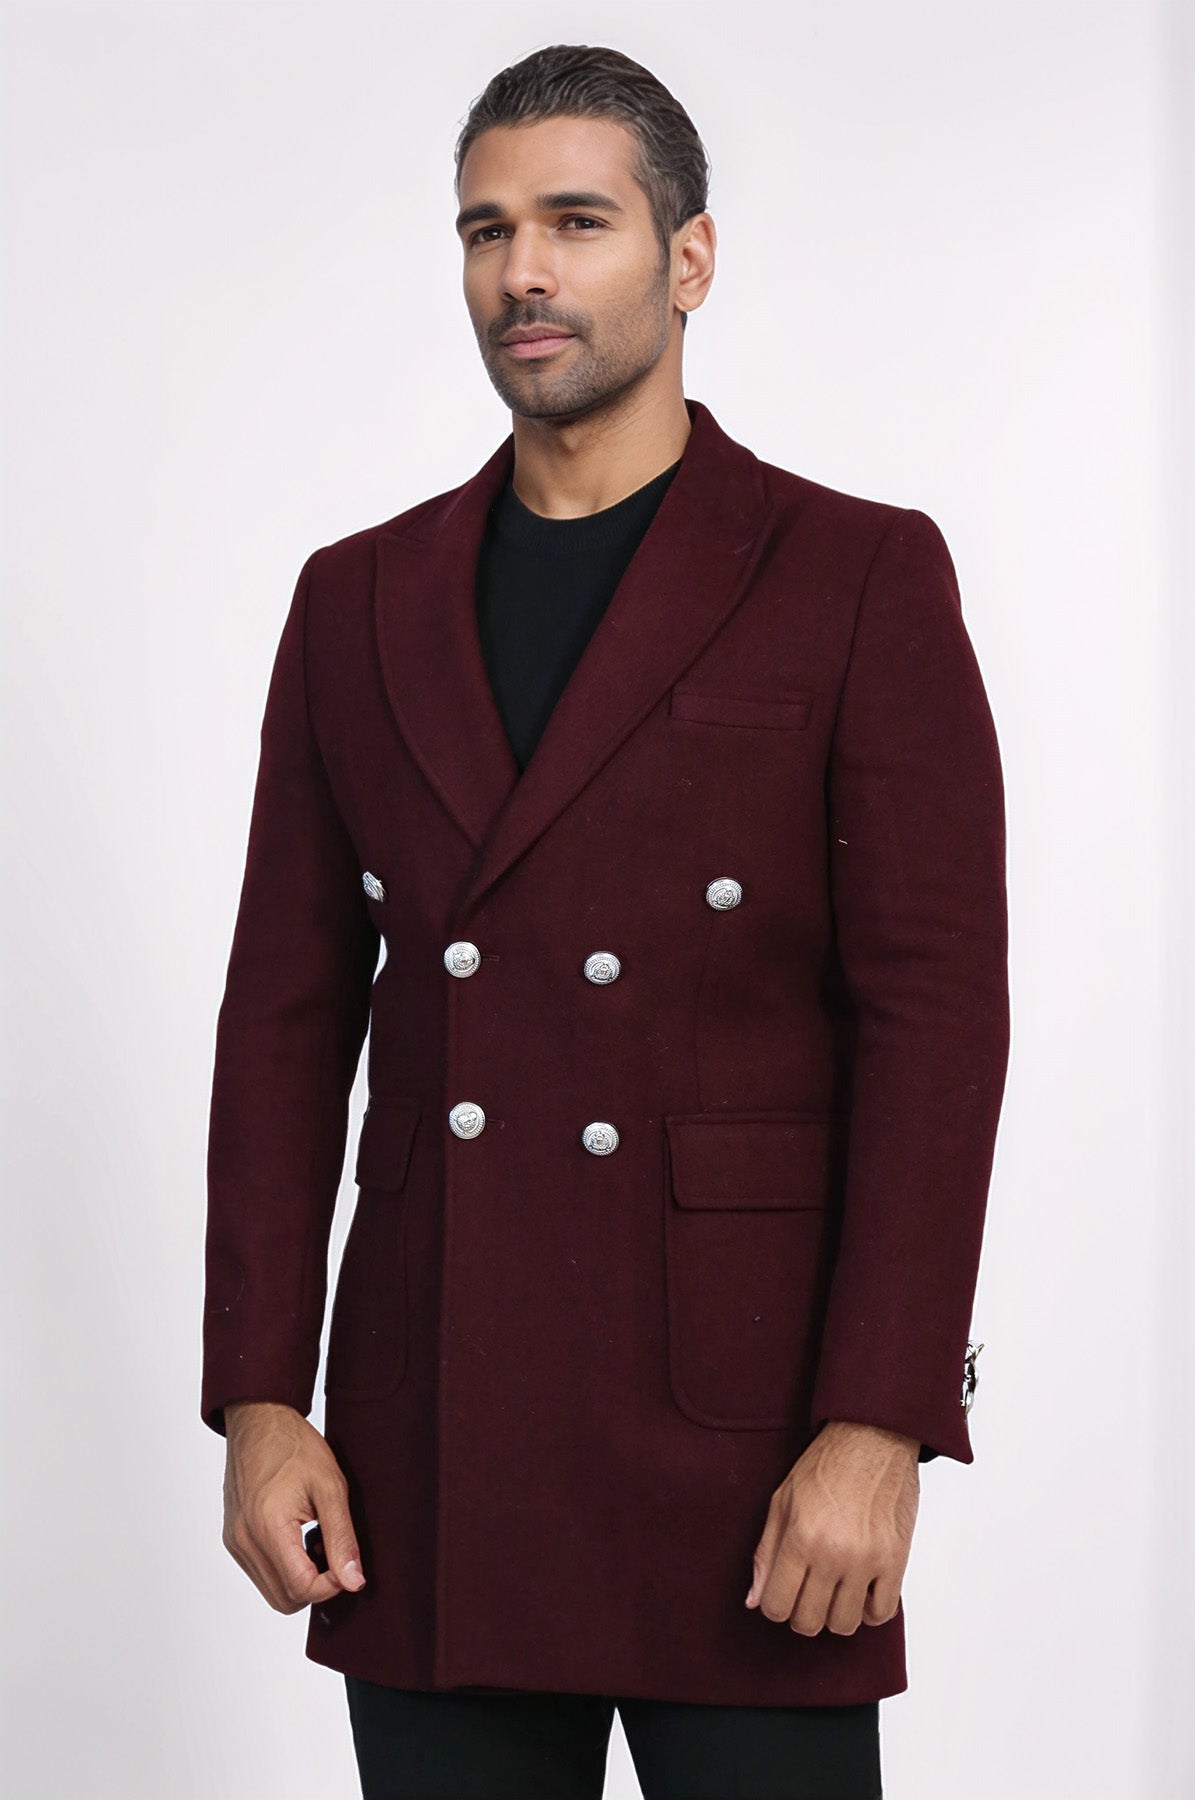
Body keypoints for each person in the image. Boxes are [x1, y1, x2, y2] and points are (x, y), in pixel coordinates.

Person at [201, 42, 1010, 1800]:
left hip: (754, 1440)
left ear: (689, 257)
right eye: (487, 230)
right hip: (435, 1425)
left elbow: (936, 1023)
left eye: (578, 221)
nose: (525, 272)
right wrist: (262, 1399)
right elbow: (282, 1017)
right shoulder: (356, 600)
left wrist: (882, 1425)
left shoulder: (856, 572)